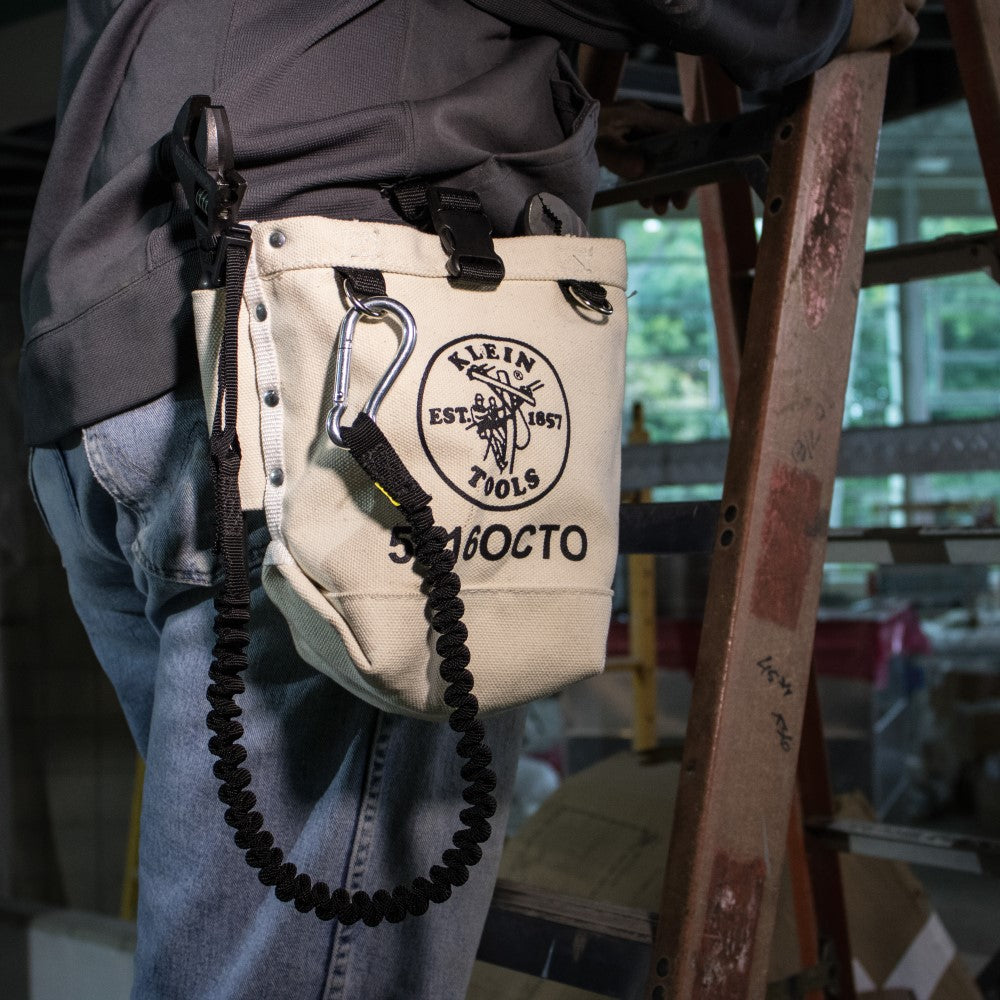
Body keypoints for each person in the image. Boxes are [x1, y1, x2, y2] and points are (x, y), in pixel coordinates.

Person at [21, 2, 922, 997]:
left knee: (236, 954)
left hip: (116, 381)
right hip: (319, 349)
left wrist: (539, 120)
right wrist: (824, 15)